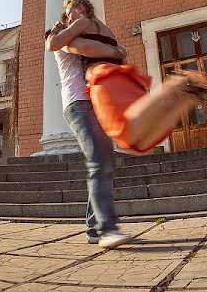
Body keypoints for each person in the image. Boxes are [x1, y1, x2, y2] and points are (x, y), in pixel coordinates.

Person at [49, 0, 207, 155]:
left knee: (125, 133)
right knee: (140, 141)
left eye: (69, 12)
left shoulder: (83, 23)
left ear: (80, 8)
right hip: (122, 74)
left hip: (103, 76)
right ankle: (187, 98)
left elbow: (55, 44)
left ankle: (178, 85)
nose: (69, 19)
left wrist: (54, 32)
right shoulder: (106, 30)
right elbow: (121, 54)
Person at [46, 14, 132, 249]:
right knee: (98, 163)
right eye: (73, 16)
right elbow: (87, 48)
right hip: (78, 104)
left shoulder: (79, 37)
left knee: (104, 163)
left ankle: (94, 229)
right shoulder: (64, 39)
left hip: (93, 102)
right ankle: (107, 229)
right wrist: (115, 51)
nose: (79, 19)